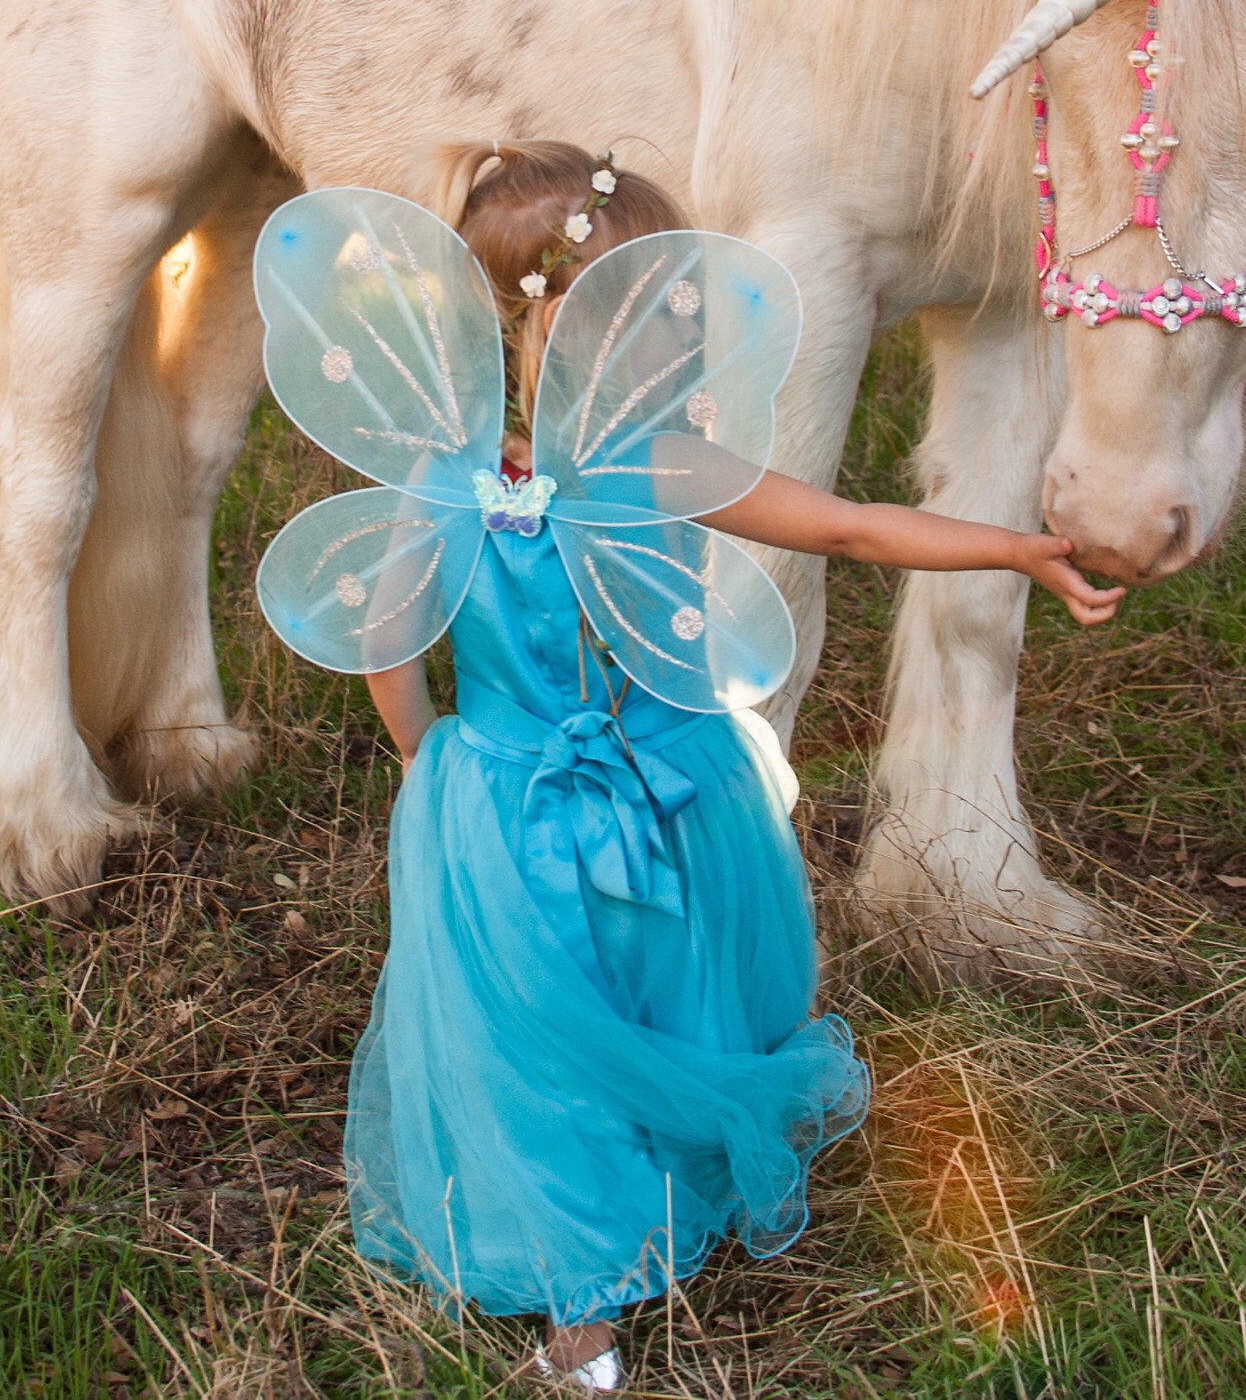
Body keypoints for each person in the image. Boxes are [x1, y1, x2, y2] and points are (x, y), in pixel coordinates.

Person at [246, 143, 1120, 1390]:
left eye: (671, 307)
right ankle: (582, 1295)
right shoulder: (580, 473)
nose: (665, 337)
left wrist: (1019, 548)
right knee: (553, 1045)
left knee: (632, 1010)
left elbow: (849, 525)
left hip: (576, 790)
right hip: (598, 795)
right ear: (539, 324)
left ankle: (647, 1205)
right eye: (638, 308)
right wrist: (436, 759)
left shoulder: (579, 469)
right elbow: (391, 633)